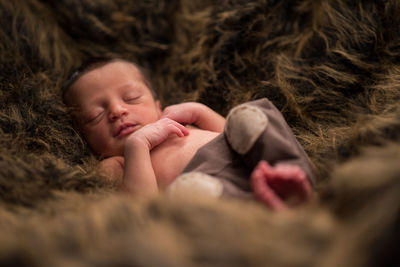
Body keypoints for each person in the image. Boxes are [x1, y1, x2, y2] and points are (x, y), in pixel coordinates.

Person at [63, 56, 314, 211]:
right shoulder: (116, 163)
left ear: (158, 105)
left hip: (251, 163)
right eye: (95, 115)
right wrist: (137, 145)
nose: (117, 111)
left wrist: (200, 112)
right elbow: (139, 205)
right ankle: (268, 204)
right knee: (192, 196)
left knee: (251, 117)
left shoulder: (179, 124)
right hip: (206, 189)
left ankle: (288, 173)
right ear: (84, 135)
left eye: (132, 98)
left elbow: (232, 137)